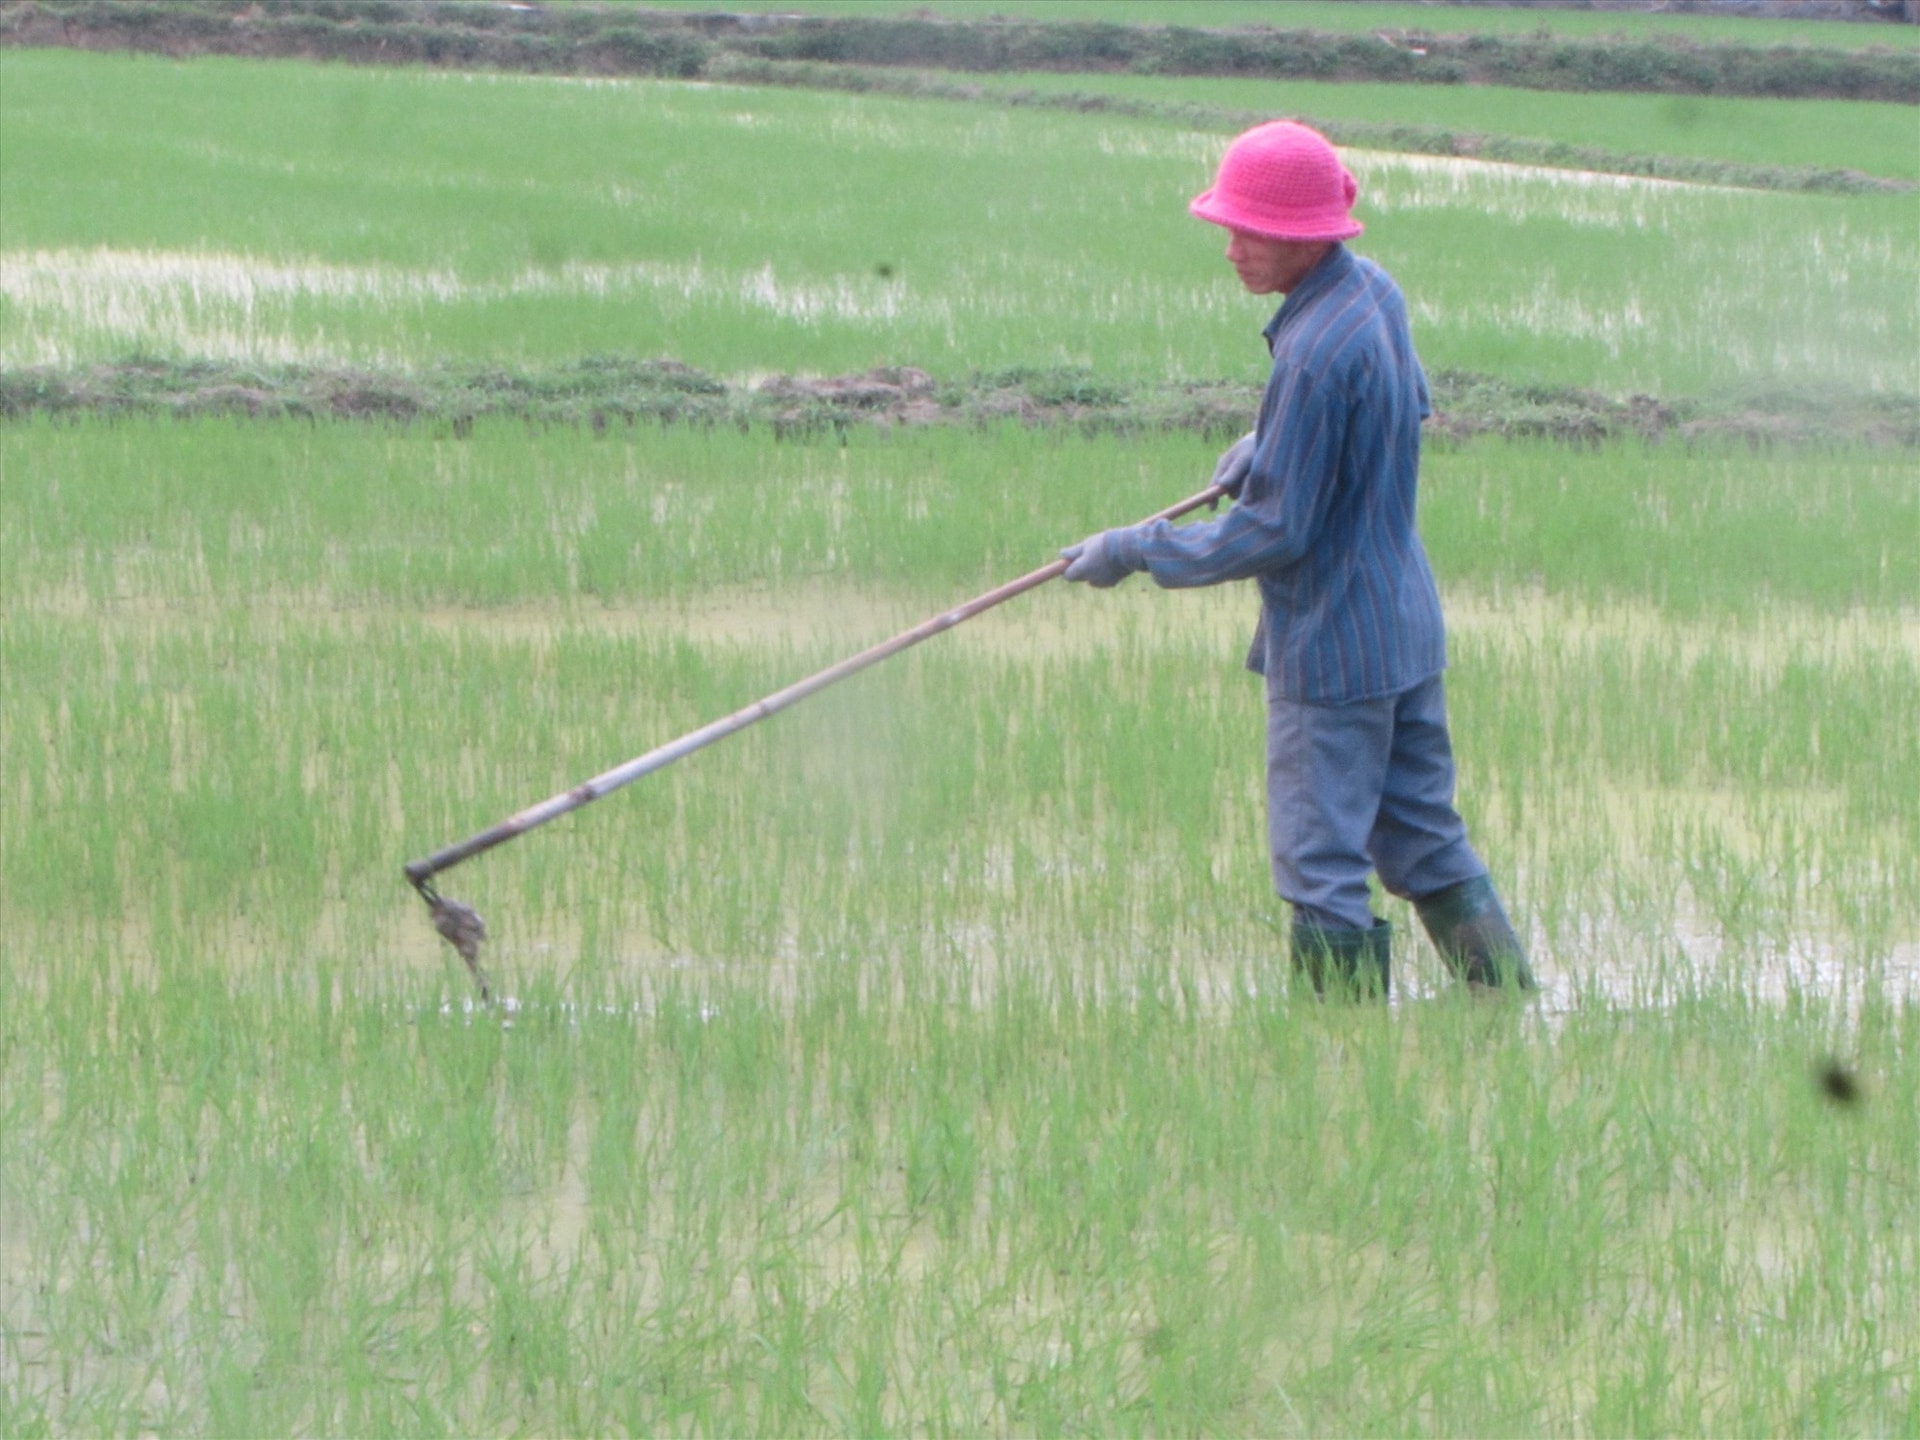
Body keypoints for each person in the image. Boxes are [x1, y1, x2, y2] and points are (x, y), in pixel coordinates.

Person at [1060, 120, 1534, 999]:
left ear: (1311, 233)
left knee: (1321, 867)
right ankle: (1508, 1008)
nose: (1233, 249)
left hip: (1336, 644)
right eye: (1227, 228)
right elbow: (1400, 408)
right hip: (1403, 627)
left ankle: (1339, 1066)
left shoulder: (1313, 353)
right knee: (1427, 839)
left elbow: (1274, 533)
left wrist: (1135, 549)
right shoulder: (1372, 297)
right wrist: (1268, 441)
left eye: (1254, 232)